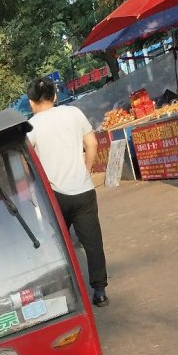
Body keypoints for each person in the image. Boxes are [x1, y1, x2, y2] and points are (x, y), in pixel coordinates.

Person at [27, 75, 109, 307]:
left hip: (54, 196)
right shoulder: (73, 113)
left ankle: (70, 293)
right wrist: (86, 170)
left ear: (31, 102)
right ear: (55, 96)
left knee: (59, 245)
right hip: (83, 190)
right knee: (92, 241)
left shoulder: (30, 127)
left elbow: (28, 165)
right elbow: (92, 144)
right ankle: (100, 291)